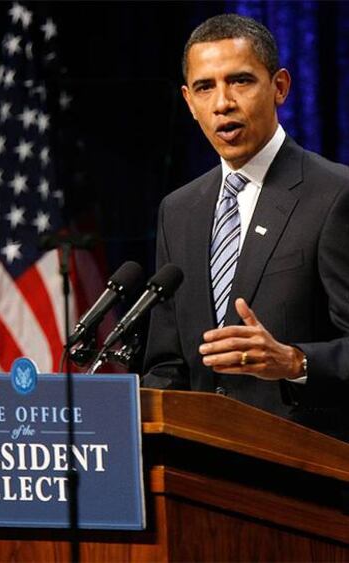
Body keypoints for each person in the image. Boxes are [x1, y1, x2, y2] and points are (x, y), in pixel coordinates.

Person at [142, 13, 349, 440]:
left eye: (240, 81)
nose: (223, 103)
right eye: (205, 87)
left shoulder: (335, 195)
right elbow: (166, 364)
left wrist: (296, 362)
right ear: (189, 101)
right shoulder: (178, 210)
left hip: (308, 468)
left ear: (280, 87)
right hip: (202, 473)